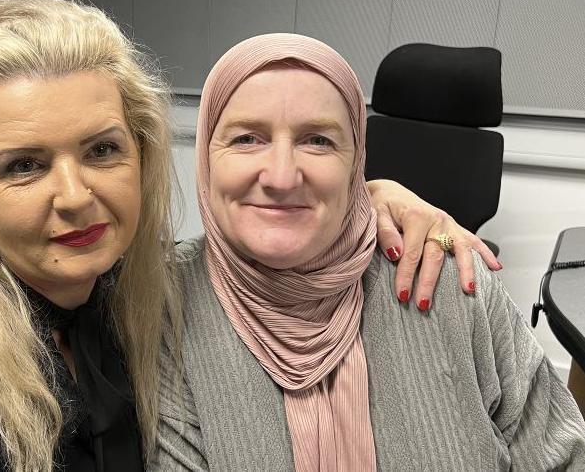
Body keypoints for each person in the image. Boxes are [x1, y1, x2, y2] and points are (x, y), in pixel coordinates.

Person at [0, 0, 499, 471]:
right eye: (24, 166)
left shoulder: (126, 302)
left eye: (101, 150)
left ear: (143, 157)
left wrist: (370, 199)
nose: (75, 195)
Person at [154, 34, 585, 471]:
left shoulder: (452, 286)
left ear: (356, 161)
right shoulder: (159, 311)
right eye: (247, 138)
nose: (281, 177)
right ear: (206, 156)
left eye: (318, 141)